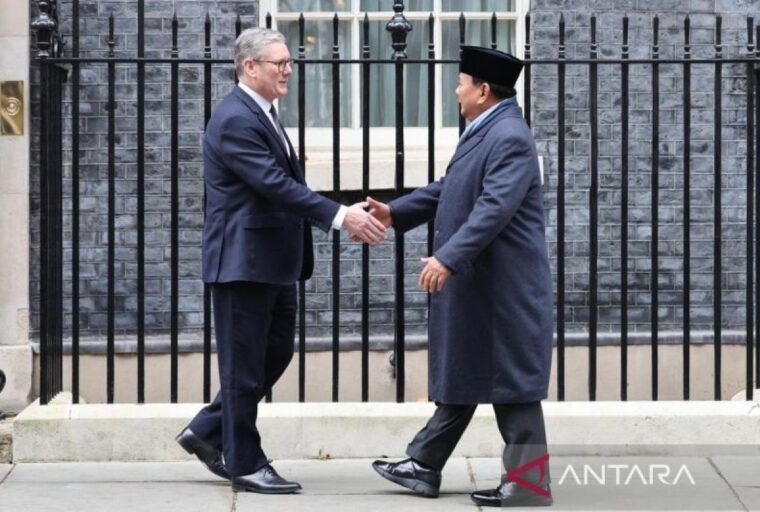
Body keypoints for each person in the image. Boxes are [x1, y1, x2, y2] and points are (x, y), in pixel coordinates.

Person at [176, 27, 386, 495]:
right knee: (243, 367)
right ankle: (246, 464)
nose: (288, 70)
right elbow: (274, 184)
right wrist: (340, 216)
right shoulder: (236, 118)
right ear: (250, 66)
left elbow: (282, 186)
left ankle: (206, 430)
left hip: (270, 261)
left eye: (290, 62)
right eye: (280, 63)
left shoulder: (262, 113)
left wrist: (338, 214)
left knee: (274, 353)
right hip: (242, 262)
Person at [367, 46, 554, 508]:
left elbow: (493, 209)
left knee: (512, 385)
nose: (456, 91)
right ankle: (424, 464)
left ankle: (529, 484)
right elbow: (452, 188)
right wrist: (396, 212)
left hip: (505, 288)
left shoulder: (509, 137)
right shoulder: (488, 130)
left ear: (483, 90)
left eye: (461, 83)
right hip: (484, 284)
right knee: (467, 371)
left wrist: (446, 259)